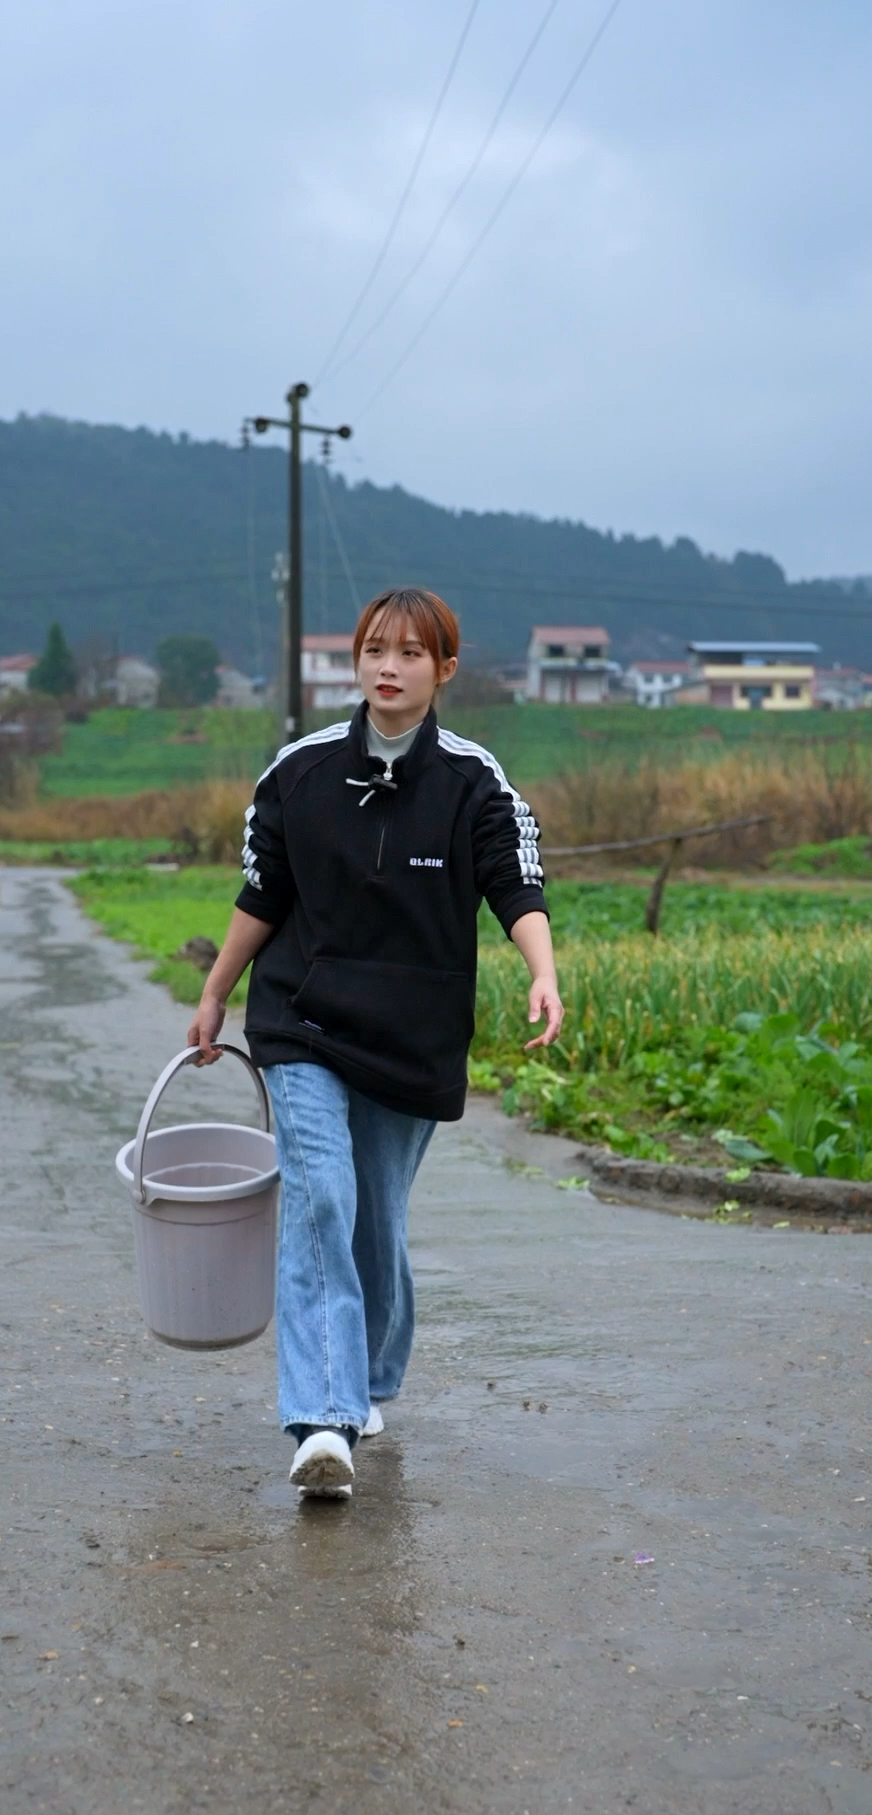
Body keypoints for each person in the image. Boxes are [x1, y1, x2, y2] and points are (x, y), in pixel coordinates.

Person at [188, 586, 562, 1497]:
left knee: (375, 1222)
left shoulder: (475, 780)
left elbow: (516, 886)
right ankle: (325, 1418)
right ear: (356, 664)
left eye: (407, 653)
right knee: (321, 1201)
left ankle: (368, 1377)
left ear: (444, 669)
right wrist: (214, 992)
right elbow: (262, 897)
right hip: (301, 1021)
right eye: (372, 651)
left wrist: (542, 970)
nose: (387, 668)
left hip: (413, 1032)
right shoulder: (298, 773)